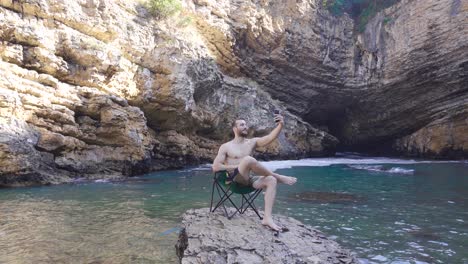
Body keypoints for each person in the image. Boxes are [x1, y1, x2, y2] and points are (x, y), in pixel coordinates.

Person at [212, 113, 297, 231]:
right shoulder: (226, 146)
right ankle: (278, 176)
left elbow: (270, 138)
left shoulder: (252, 142)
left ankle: (267, 218)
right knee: (248, 160)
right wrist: (238, 165)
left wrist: (280, 125)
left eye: (246, 125)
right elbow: (216, 167)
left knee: (271, 180)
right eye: (242, 125)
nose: (245, 127)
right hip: (232, 181)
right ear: (234, 129)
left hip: (247, 181)